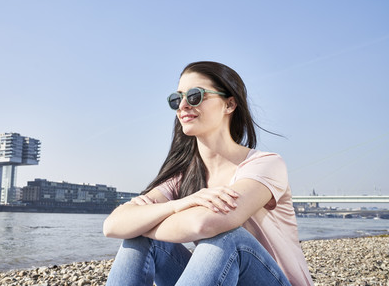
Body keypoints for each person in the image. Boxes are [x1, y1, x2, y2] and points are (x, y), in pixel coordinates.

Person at [103, 61, 313, 286]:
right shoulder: (183, 178)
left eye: (195, 96)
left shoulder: (265, 165)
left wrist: (146, 221)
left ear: (229, 104)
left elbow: (206, 223)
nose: (183, 105)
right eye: (177, 99)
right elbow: (113, 225)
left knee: (228, 238)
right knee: (138, 240)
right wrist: (178, 205)